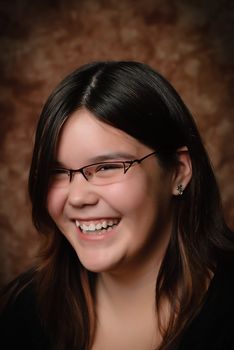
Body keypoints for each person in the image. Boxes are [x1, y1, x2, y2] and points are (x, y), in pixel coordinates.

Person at [0, 61, 234, 350]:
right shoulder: (23, 313)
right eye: (57, 172)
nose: (77, 197)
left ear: (178, 171)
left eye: (107, 167)